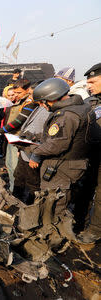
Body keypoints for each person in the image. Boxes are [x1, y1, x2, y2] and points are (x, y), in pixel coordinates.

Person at [28, 78, 92, 224]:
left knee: (53, 207)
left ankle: (53, 241)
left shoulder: (66, 115)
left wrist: (29, 147)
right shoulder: (81, 107)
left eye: (41, 102)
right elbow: (63, 136)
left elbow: (56, 145)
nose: (42, 106)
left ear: (50, 98)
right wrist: (35, 136)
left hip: (61, 168)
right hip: (71, 166)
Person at [0, 79, 38, 191]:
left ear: (28, 90)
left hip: (19, 139)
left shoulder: (30, 104)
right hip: (11, 138)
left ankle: (15, 192)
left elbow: (17, 122)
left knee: (15, 168)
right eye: (15, 93)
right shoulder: (20, 102)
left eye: (19, 93)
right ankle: (13, 189)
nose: (16, 95)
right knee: (9, 165)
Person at [11, 80, 49, 204]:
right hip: (25, 152)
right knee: (19, 179)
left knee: (33, 184)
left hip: (33, 155)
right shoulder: (37, 107)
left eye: (33, 94)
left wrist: (35, 156)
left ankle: (31, 209)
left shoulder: (48, 110)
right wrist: (20, 149)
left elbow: (45, 137)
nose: (30, 96)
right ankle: (16, 204)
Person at [77, 63, 101, 244]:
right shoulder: (91, 102)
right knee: (84, 189)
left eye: (92, 81)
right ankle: (79, 223)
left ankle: (95, 230)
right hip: (89, 154)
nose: (88, 86)